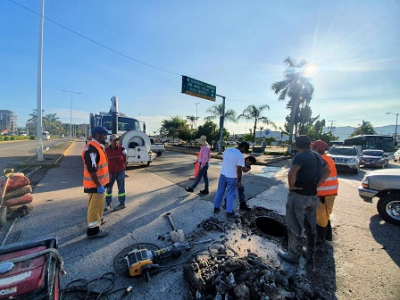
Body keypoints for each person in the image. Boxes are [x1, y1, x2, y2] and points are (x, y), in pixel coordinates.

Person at [278, 135, 330, 266]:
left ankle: (293, 255)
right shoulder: (317, 156)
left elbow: (292, 173)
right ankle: (310, 254)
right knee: (311, 226)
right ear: (310, 144)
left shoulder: (300, 156)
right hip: (313, 196)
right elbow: (327, 170)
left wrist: (292, 187)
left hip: (299, 196)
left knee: (295, 224)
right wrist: (318, 183)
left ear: (297, 145)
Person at [82, 126, 110, 238]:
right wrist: (99, 185)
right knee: (95, 207)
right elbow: (92, 170)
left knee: (97, 206)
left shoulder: (97, 147)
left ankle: (98, 220)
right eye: (104, 135)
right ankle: (93, 230)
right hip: (95, 184)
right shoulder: (92, 149)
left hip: (97, 184)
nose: (106, 137)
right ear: (97, 135)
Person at [213, 142, 250, 218]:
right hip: (232, 177)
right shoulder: (240, 156)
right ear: (243, 148)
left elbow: (226, 160)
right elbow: (239, 170)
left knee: (220, 191)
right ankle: (229, 212)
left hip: (223, 174)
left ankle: (216, 207)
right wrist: (239, 181)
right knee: (230, 194)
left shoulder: (228, 150)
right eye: (245, 150)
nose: (244, 151)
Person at [311, 140, 338, 243]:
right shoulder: (328, 159)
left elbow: (325, 173)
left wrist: (315, 185)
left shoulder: (321, 160)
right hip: (329, 192)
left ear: (317, 149)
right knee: (325, 215)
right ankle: (327, 236)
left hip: (324, 193)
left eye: (313, 148)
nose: (312, 149)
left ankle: (319, 239)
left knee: (321, 217)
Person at [104, 134, 127, 211]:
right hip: (110, 172)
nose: (116, 142)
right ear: (110, 141)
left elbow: (125, 158)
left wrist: (123, 165)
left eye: (117, 140)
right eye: (114, 140)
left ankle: (122, 203)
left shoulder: (122, 149)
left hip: (120, 171)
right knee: (109, 189)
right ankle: (108, 203)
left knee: (121, 188)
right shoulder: (106, 150)